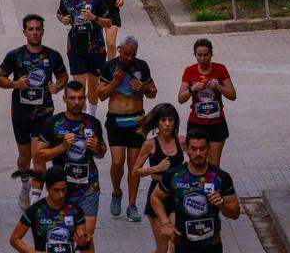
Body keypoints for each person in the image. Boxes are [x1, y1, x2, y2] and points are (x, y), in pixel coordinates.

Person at [0, 15, 69, 210]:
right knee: (24, 156)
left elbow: (63, 77)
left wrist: (57, 87)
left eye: (38, 29)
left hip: (43, 113)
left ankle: (36, 203)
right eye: (31, 29)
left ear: (43, 31)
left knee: (39, 156)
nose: (35, 32)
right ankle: (25, 185)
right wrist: (15, 84)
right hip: (20, 113)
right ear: (25, 32)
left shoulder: (52, 56)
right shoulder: (15, 55)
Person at [34, 82, 105, 249]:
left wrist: (96, 148)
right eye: (72, 98)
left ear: (85, 98)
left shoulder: (93, 123)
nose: (77, 102)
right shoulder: (53, 123)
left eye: (80, 98)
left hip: (89, 188)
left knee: (85, 239)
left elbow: (102, 151)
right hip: (62, 190)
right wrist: (62, 147)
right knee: (64, 239)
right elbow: (38, 155)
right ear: (64, 99)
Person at [148, 127, 240, 253]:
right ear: (186, 149)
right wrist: (165, 222)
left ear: (209, 149)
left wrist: (222, 204)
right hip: (183, 245)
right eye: (194, 149)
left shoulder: (220, 177)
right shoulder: (175, 176)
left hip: (211, 246)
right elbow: (155, 197)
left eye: (202, 149)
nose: (198, 154)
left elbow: (235, 214)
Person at [97, 36, 155, 221]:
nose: (129, 58)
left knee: (134, 164)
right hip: (116, 120)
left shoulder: (141, 66)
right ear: (119, 50)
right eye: (126, 54)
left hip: (137, 121)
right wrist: (115, 81)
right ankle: (116, 192)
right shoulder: (110, 66)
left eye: (133, 55)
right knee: (117, 162)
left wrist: (144, 89)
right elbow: (101, 95)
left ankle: (132, 205)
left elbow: (153, 93)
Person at [57, 0, 112, 117]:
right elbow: (59, 14)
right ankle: (79, 118)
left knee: (93, 86)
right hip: (75, 47)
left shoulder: (97, 0)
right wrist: (63, 19)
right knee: (79, 88)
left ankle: (91, 115)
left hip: (96, 48)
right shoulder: (66, 0)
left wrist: (94, 18)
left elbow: (108, 23)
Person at [133, 104, 185, 250]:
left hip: (176, 194)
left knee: (176, 243)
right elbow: (135, 171)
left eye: (171, 120)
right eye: (163, 120)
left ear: (175, 122)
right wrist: (155, 168)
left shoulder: (181, 141)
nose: (167, 124)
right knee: (162, 247)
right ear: (157, 122)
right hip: (157, 195)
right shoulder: (150, 144)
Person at [177, 39, 236, 166]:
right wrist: (193, 88)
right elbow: (181, 99)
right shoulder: (190, 70)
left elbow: (232, 95)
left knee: (214, 165)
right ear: (194, 55)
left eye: (206, 55)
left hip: (216, 123)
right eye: (199, 55)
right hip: (196, 123)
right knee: (197, 162)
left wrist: (218, 87)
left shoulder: (220, 69)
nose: (203, 59)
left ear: (211, 54)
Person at [10, 167, 89, 253]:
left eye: (64, 189)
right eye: (56, 190)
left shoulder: (75, 210)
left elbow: (84, 243)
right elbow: (15, 239)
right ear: (47, 188)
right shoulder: (35, 210)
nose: (61, 195)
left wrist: (82, 243)